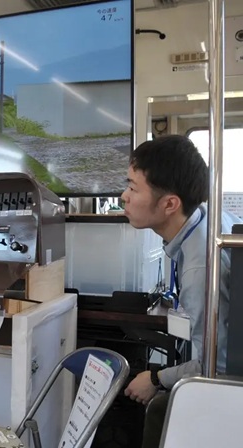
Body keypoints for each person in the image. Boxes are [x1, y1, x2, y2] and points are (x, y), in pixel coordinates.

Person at [121, 135, 241, 448]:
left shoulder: (200, 269)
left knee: (160, 407)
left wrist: (156, 378)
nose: (124, 197)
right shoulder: (206, 218)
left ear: (170, 204)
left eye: (133, 188)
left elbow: (218, 366)